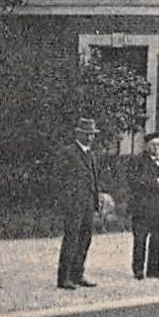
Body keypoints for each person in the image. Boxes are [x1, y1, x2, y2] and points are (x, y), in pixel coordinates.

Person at [55, 116, 110, 290]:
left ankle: (77, 274)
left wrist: (97, 199)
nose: (89, 138)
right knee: (71, 239)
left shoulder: (91, 155)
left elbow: (93, 179)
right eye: (86, 134)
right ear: (78, 134)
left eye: (92, 134)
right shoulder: (68, 152)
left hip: (87, 203)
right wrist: (68, 200)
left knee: (85, 239)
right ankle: (63, 278)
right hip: (73, 204)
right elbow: (60, 179)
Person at [127, 132, 159, 279]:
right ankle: (138, 269)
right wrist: (155, 183)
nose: (156, 148)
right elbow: (134, 180)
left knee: (158, 239)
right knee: (140, 239)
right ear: (147, 146)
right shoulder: (137, 161)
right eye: (153, 145)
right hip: (143, 207)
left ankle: (154, 269)